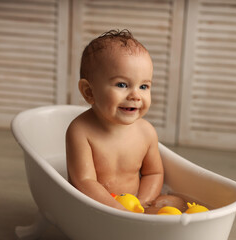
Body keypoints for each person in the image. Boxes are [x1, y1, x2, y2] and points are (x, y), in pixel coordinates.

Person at [66, 29, 186, 214]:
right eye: (122, 84)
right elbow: (84, 181)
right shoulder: (81, 130)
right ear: (89, 92)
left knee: (175, 202)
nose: (136, 95)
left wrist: (143, 203)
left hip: (134, 202)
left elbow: (153, 173)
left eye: (144, 86)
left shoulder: (146, 132)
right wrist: (116, 209)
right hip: (95, 206)